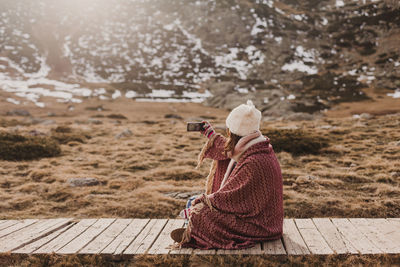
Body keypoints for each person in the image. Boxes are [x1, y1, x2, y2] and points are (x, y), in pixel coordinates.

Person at [171, 100, 284, 250]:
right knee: (193, 203)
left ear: (234, 133)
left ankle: (194, 231)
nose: (227, 133)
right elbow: (229, 150)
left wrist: (203, 201)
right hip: (266, 218)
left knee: (200, 211)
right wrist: (210, 133)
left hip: (260, 224)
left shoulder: (253, 162)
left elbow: (231, 196)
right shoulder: (257, 146)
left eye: (229, 130)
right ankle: (191, 226)